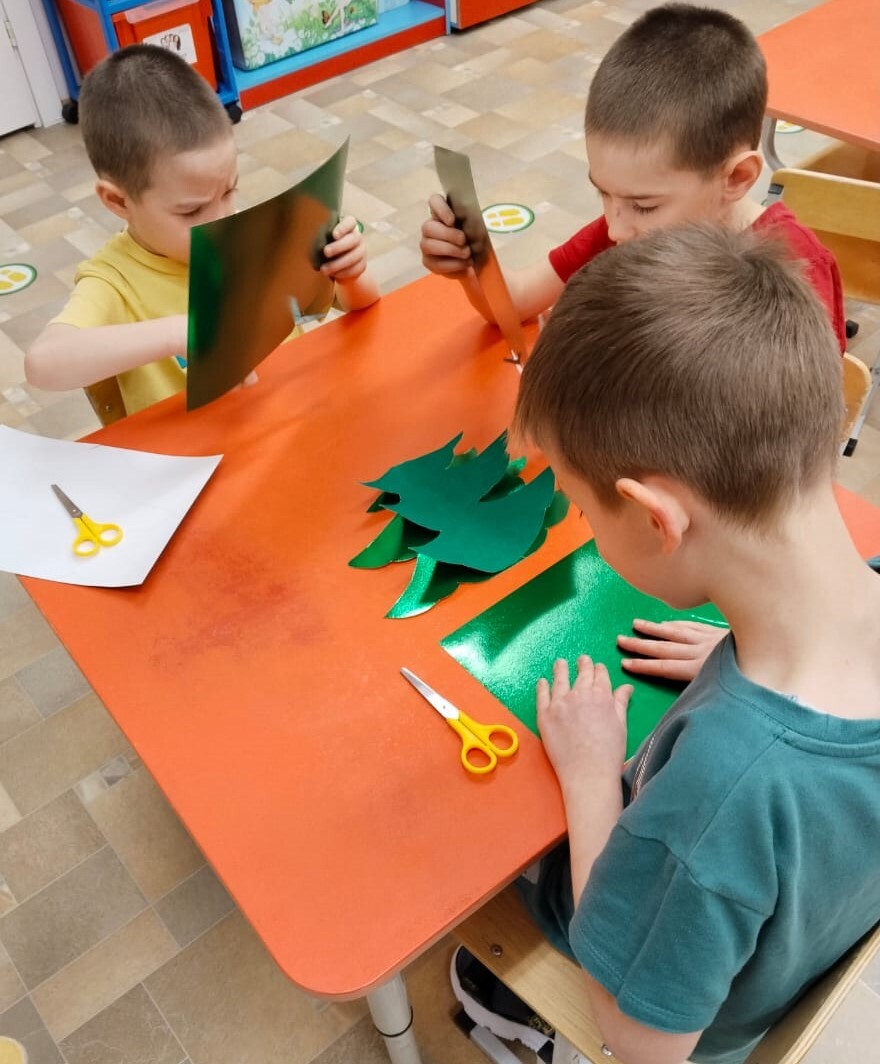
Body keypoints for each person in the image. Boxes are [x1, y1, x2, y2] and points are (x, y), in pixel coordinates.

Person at [451, 225, 880, 1064]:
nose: (585, 525)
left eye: (582, 509)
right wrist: (733, 645)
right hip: (785, 946)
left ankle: (520, 1022)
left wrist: (588, 777)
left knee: (471, 854)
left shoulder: (724, 794)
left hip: (683, 1010)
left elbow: (638, 1042)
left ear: (656, 520)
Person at [419, 3, 846, 357]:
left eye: (644, 205)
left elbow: (800, 426)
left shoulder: (796, 276)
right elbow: (515, 302)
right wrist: (472, 267)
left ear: (736, 177)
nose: (615, 228)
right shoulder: (628, 234)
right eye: (602, 193)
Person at [25, 45, 379, 418]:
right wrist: (178, 333)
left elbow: (361, 305)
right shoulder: (113, 281)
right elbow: (43, 362)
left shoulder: (256, 232)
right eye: (192, 210)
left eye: (228, 191)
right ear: (118, 201)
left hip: (300, 422)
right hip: (204, 451)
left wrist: (351, 274)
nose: (221, 218)